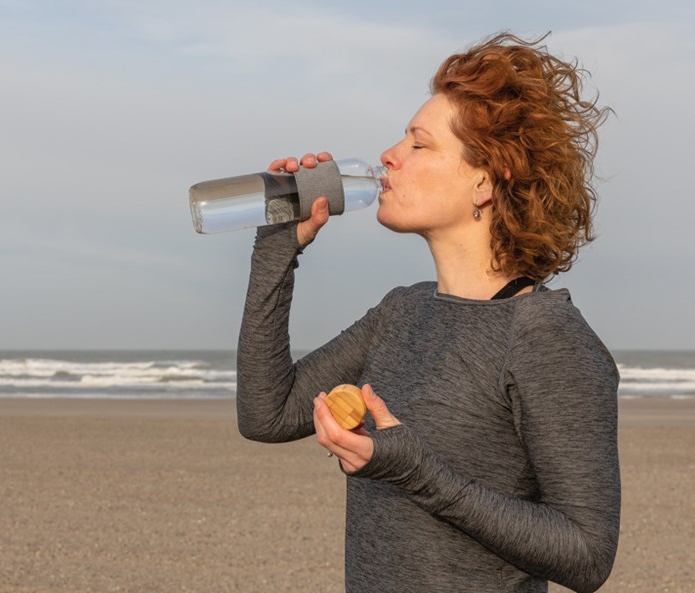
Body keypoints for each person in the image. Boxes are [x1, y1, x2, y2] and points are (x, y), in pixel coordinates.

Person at [236, 33, 620, 593]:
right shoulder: (402, 312)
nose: (389, 155)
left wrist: (415, 469)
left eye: (420, 145)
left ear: (486, 182)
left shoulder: (546, 336)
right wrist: (276, 248)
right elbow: (266, 415)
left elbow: (587, 556)